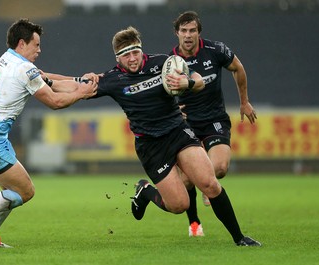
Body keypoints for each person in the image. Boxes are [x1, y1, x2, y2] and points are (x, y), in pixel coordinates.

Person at [87, 26, 261, 246]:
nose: (132, 58)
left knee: (210, 184)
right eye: (126, 55)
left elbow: (198, 79)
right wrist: (48, 80)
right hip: (151, 146)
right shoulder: (111, 79)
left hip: (178, 132)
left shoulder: (163, 63)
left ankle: (240, 238)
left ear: (141, 50)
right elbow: (74, 87)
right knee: (179, 204)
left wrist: (186, 82)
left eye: (135, 52)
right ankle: (146, 191)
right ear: (117, 58)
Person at [0, 18, 97, 248]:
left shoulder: (8, 59)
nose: (39, 50)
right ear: (22, 43)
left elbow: (46, 79)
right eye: (36, 45)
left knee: (11, 191)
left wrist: (81, 83)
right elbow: (56, 101)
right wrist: (82, 93)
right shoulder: (23, 68)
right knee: (25, 191)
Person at [169, 10, 258, 238]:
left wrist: (244, 102)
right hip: (185, 124)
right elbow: (160, 91)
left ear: (199, 32)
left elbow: (238, 68)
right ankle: (195, 223)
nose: (188, 35)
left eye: (192, 31)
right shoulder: (171, 62)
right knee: (188, 179)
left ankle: (206, 184)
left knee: (219, 169)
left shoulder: (216, 50)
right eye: (184, 31)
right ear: (177, 33)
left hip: (214, 120)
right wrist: (172, 108)